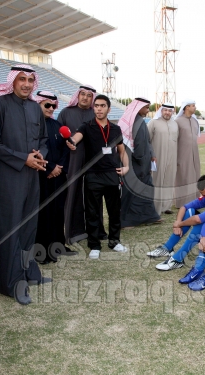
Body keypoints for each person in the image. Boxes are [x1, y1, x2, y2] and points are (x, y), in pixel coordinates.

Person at [0, 65, 49, 305]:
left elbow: (43, 139)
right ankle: (10, 283)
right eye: (22, 79)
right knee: (9, 228)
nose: (27, 84)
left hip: (31, 177)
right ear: (13, 81)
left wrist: (40, 154)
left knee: (28, 227)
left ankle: (29, 272)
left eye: (30, 80)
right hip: (6, 179)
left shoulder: (34, 107)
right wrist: (23, 159)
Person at [66, 94, 129, 259]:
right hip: (93, 175)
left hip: (112, 175)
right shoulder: (86, 126)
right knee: (92, 212)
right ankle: (94, 245)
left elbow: (121, 151)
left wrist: (126, 167)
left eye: (102, 106)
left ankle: (114, 241)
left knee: (114, 212)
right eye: (96, 106)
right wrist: (71, 141)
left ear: (109, 108)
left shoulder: (115, 129)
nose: (99, 109)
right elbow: (76, 138)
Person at [147, 175, 205, 273]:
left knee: (202, 222)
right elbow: (184, 207)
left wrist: (180, 224)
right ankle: (167, 248)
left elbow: (198, 220)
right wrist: (177, 222)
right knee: (190, 211)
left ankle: (178, 259)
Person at [57, 84, 106, 244]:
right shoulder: (66, 113)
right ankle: (74, 232)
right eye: (82, 94)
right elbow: (59, 138)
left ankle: (97, 230)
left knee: (94, 194)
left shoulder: (96, 114)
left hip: (94, 160)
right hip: (73, 159)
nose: (85, 97)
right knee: (74, 193)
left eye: (89, 95)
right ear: (77, 95)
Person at [34, 91, 72, 264]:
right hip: (41, 175)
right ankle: (42, 252)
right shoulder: (33, 125)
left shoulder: (57, 125)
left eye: (54, 106)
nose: (51, 108)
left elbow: (65, 149)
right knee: (44, 213)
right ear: (38, 104)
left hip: (58, 176)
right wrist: (49, 168)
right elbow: (34, 150)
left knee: (58, 211)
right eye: (47, 105)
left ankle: (58, 246)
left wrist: (59, 168)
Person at [118, 97, 160, 228]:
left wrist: (151, 154)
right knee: (132, 192)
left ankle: (149, 217)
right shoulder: (138, 122)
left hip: (135, 162)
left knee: (145, 190)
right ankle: (126, 221)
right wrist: (143, 162)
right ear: (139, 107)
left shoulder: (133, 121)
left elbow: (147, 142)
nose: (148, 110)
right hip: (137, 164)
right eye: (146, 108)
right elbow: (140, 145)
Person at [147, 103, 178, 215]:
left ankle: (166, 206)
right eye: (165, 110)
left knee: (169, 181)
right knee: (157, 181)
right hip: (157, 157)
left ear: (172, 112)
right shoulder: (153, 122)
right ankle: (156, 208)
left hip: (172, 157)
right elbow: (147, 140)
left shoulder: (175, 124)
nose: (167, 113)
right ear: (161, 111)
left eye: (169, 111)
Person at [174, 99, 201, 208]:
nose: (195, 107)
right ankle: (181, 203)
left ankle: (194, 201)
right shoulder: (177, 121)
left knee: (195, 176)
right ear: (186, 107)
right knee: (183, 177)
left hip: (194, 153)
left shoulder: (194, 121)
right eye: (193, 105)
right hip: (182, 154)